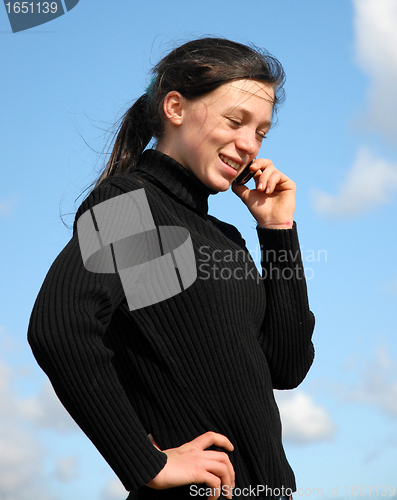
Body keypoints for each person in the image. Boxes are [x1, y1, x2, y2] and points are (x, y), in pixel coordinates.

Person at [28, 37, 315, 500]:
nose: (248, 145)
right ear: (176, 107)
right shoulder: (133, 204)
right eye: (235, 120)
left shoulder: (224, 237)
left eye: (260, 132)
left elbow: (286, 365)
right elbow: (62, 327)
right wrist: (147, 462)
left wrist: (278, 231)